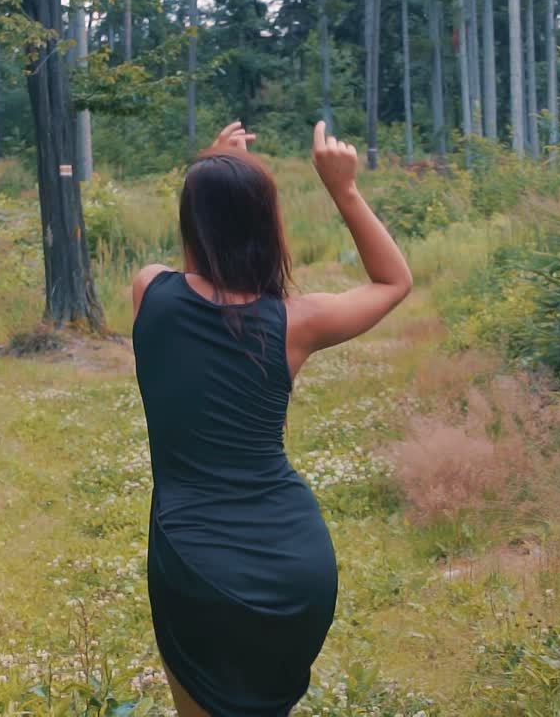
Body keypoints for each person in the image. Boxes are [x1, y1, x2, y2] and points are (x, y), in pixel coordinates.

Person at [131, 120, 412, 716]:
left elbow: (193, 252)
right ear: (268, 227)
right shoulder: (295, 322)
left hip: (197, 563)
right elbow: (394, 281)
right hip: (294, 564)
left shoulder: (150, 292)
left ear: (191, 221)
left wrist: (217, 166)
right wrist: (344, 190)